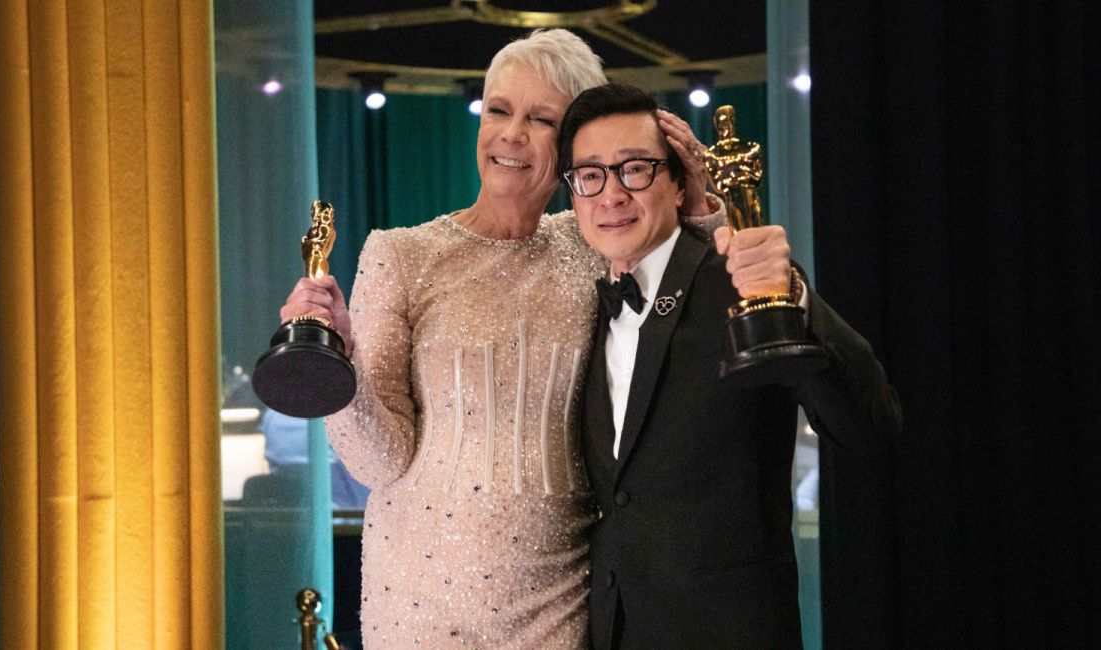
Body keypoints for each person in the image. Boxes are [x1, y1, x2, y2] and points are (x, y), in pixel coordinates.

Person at [277, 30, 720, 649]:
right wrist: (338, 361)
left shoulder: (597, 241)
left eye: (541, 119)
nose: (512, 134)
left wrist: (697, 199)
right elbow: (378, 461)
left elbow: (698, 295)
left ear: (572, 150)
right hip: (416, 602)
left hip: (559, 601)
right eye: (498, 110)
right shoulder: (399, 255)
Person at [558, 84, 902, 649]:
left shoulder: (740, 283)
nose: (611, 195)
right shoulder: (581, 310)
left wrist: (792, 294)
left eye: (635, 169)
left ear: (676, 182)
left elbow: (872, 424)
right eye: (590, 175)